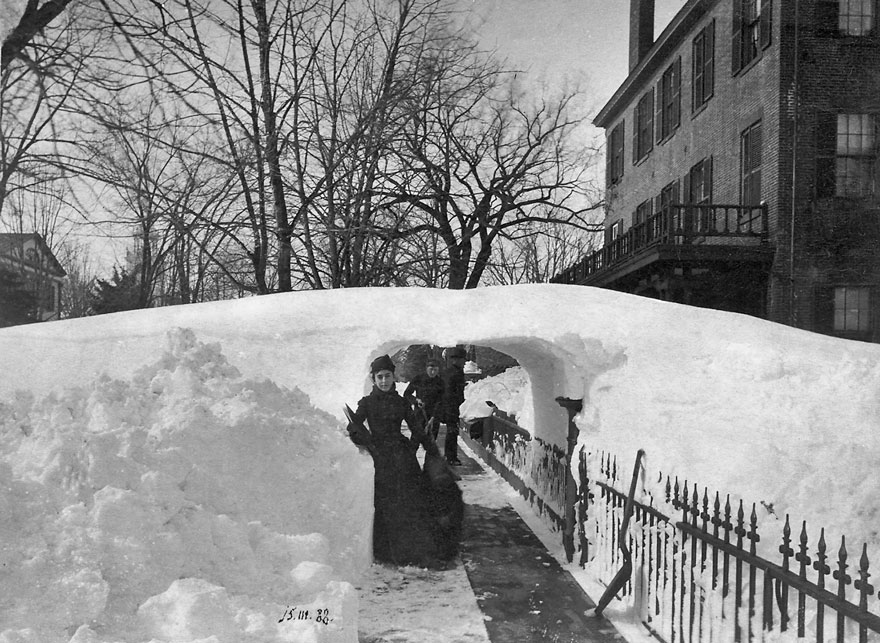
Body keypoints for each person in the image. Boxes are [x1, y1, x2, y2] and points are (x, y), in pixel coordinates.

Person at [346, 354, 447, 567]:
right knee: (387, 505)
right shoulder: (367, 403)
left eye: (388, 376)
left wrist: (411, 449)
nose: (384, 381)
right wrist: (366, 441)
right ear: (373, 379)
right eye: (380, 377)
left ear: (393, 377)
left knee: (411, 503)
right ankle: (387, 553)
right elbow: (354, 427)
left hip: (402, 459)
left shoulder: (401, 402)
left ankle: (414, 551)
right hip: (381, 459)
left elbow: (416, 428)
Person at [403, 357, 445, 441]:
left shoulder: (440, 382)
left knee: (431, 443)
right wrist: (416, 400)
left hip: (434, 415)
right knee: (415, 440)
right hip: (420, 414)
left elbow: (441, 401)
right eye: (431, 369)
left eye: (435, 370)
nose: (433, 372)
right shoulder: (418, 379)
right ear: (426, 369)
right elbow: (407, 394)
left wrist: (433, 417)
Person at [441, 346, 467, 466]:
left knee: (452, 431)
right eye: (463, 360)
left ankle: (450, 456)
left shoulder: (450, 371)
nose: (464, 362)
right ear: (457, 360)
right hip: (451, 406)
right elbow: (451, 391)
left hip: (450, 405)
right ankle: (451, 457)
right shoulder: (455, 373)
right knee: (452, 431)